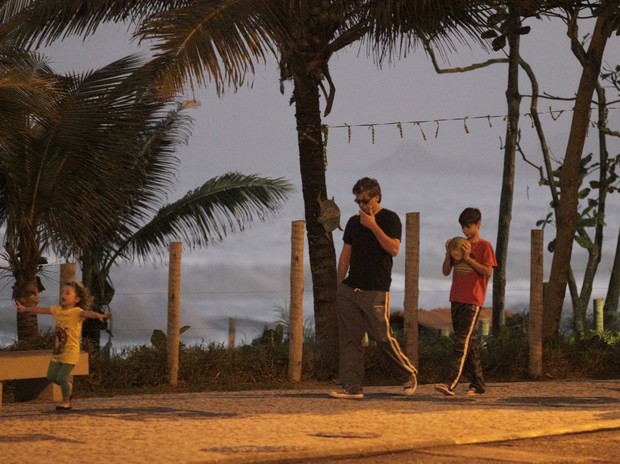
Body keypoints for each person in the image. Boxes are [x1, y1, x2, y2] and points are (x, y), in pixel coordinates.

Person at [329, 177, 417, 399]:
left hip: (375, 289)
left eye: (365, 201)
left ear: (376, 197)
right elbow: (345, 255)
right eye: (358, 201)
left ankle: (407, 374)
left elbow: (394, 249)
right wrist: (339, 287)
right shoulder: (352, 222)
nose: (361, 206)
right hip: (350, 289)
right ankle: (352, 387)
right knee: (350, 339)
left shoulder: (390, 218)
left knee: (382, 337)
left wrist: (373, 225)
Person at [15, 280, 111, 411]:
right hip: (58, 350)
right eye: (62, 292)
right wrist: (25, 309)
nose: (63, 295)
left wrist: (99, 315)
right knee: (51, 376)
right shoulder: (57, 310)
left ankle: (66, 402)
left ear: (76, 298)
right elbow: (41, 309)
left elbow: (87, 313)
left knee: (61, 376)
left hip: (71, 351)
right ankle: (68, 389)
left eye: (68, 293)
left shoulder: (77, 312)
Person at [434, 207, 497, 397]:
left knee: (461, 342)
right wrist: (448, 253)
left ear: (478, 225)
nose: (465, 231)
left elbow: (487, 272)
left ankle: (449, 382)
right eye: (463, 227)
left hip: (473, 299)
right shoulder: (459, 245)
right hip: (456, 298)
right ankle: (478, 384)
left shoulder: (485, 246)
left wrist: (468, 259)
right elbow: (446, 271)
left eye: (469, 227)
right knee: (471, 343)